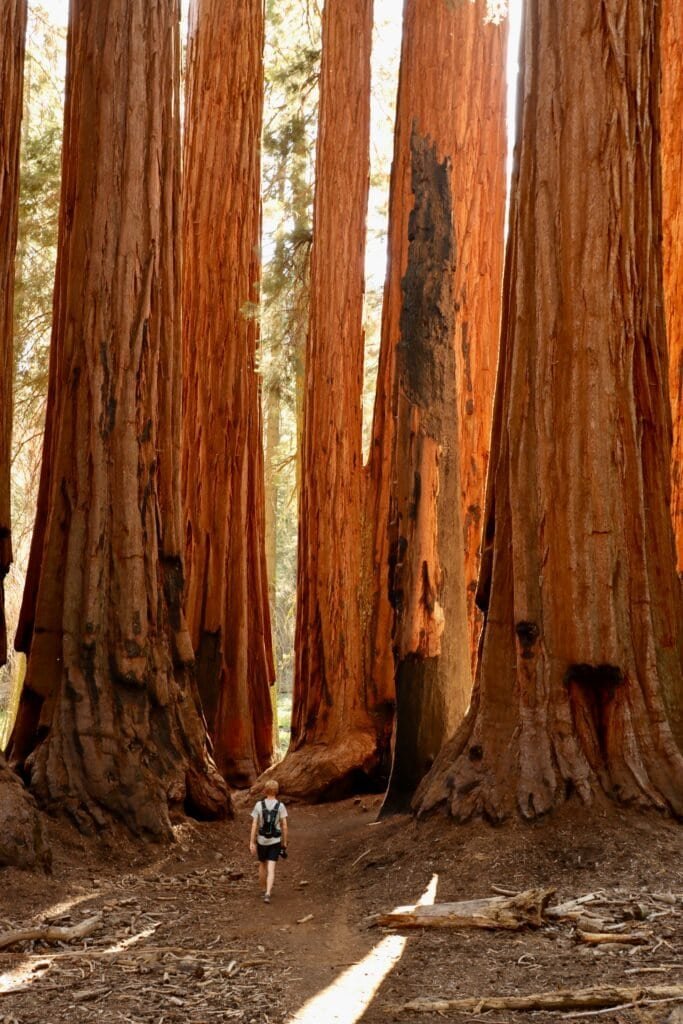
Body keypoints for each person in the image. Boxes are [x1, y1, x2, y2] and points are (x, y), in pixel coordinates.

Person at [249, 779, 288, 903]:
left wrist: (252, 842)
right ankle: (268, 893)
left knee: (262, 864)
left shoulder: (259, 805)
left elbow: (254, 824)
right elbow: (284, 826)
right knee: (271, 868)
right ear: (276, 791)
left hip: (261, 840)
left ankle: (263, 889)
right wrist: (284, 842)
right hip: (275, 840)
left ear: (265, 790)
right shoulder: (280, 806)